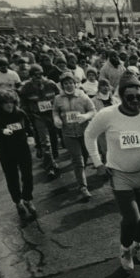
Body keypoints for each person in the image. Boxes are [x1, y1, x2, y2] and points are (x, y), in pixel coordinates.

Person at [84, 72, 140, 273]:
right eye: (130, 97)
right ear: (120, 96)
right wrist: (97, 162)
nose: (136, 101)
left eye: (139, 97)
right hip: (120, 174)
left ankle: (138, 245)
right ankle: (125, 249)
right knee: (132, 218)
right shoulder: (107, 115)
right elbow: (89, 135)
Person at [0, 89, 38, 220]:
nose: (9, 105)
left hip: (23, 150)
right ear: (0, 104)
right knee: (12, 178)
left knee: (27, 176)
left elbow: (29, 126)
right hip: (7, 152)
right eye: (5, 103)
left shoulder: (20, 113)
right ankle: (18, 201)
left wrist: (31, 137)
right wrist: (1, 131)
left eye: (11, 102)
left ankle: (27, 199)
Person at [52, 71, 96, 202]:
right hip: (68, 134)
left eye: (71, 83)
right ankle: (83, 187)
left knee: (84, 156)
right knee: (78, 160)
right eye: (66, 83)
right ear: (62, 85)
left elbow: (93, 110)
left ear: (75, 84)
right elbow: (55, 111)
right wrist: (57, 119)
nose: (69, 85)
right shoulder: (58, 99)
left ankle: (81, 180)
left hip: (84, 132)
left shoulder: (83, 96)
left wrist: (85, 116)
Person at [19, 63, 62, 178]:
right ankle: (50, 167)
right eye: (35, 75)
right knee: (45, 142)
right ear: (31, 76)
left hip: (52, 115)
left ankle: (53, 159)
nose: (39, 77)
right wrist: (28, 115)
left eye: (41, 74)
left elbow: (59, 98)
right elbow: (23, 103)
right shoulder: (26, 88)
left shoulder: (51, 84)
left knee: (54, 139)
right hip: (38, 117)